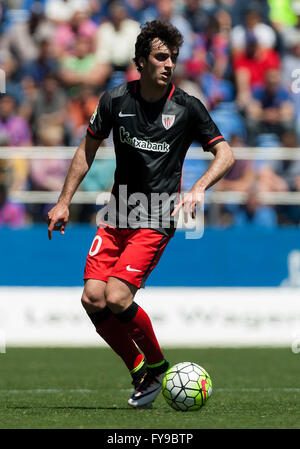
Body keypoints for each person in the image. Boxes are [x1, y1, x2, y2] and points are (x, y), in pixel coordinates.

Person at [47, 20, 234, 409]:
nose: (169, 64)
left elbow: (225, 153)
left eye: (173, 58)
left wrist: (199, 188)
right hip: (117, 212)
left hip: (155, 216)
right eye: (161, 57)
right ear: (140, 62)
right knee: (92, 298)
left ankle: (160, 367)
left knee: (116, 295)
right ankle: (140, 373)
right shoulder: (116, 100)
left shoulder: (186, 107)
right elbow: (87, 149)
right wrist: (64, 200)